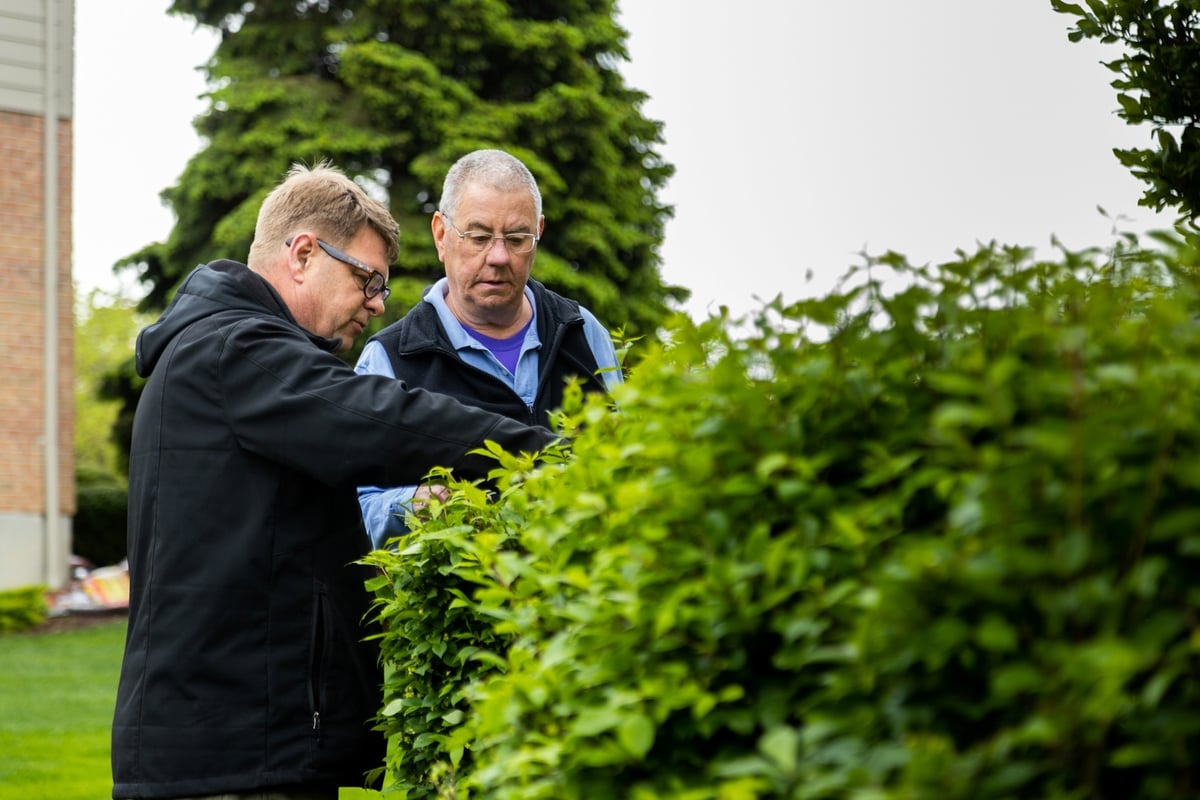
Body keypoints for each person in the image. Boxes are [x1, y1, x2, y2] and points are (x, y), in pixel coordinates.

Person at [110, 161, 558, 800]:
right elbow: (382, 422)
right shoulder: (237, 350)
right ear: (302, 253)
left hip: (239, 750)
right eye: (368, 279)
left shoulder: (223, 353)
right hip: (234, 761)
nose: (378, 304)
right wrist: (546, 452)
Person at [355, 148, 623, 549]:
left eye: (517, 239)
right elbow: (359, 505)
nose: (498, 257)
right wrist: (416, 504)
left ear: (539, 233)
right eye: (478, 237)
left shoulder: (583, 332)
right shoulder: (391, 360)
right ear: (441, 235)